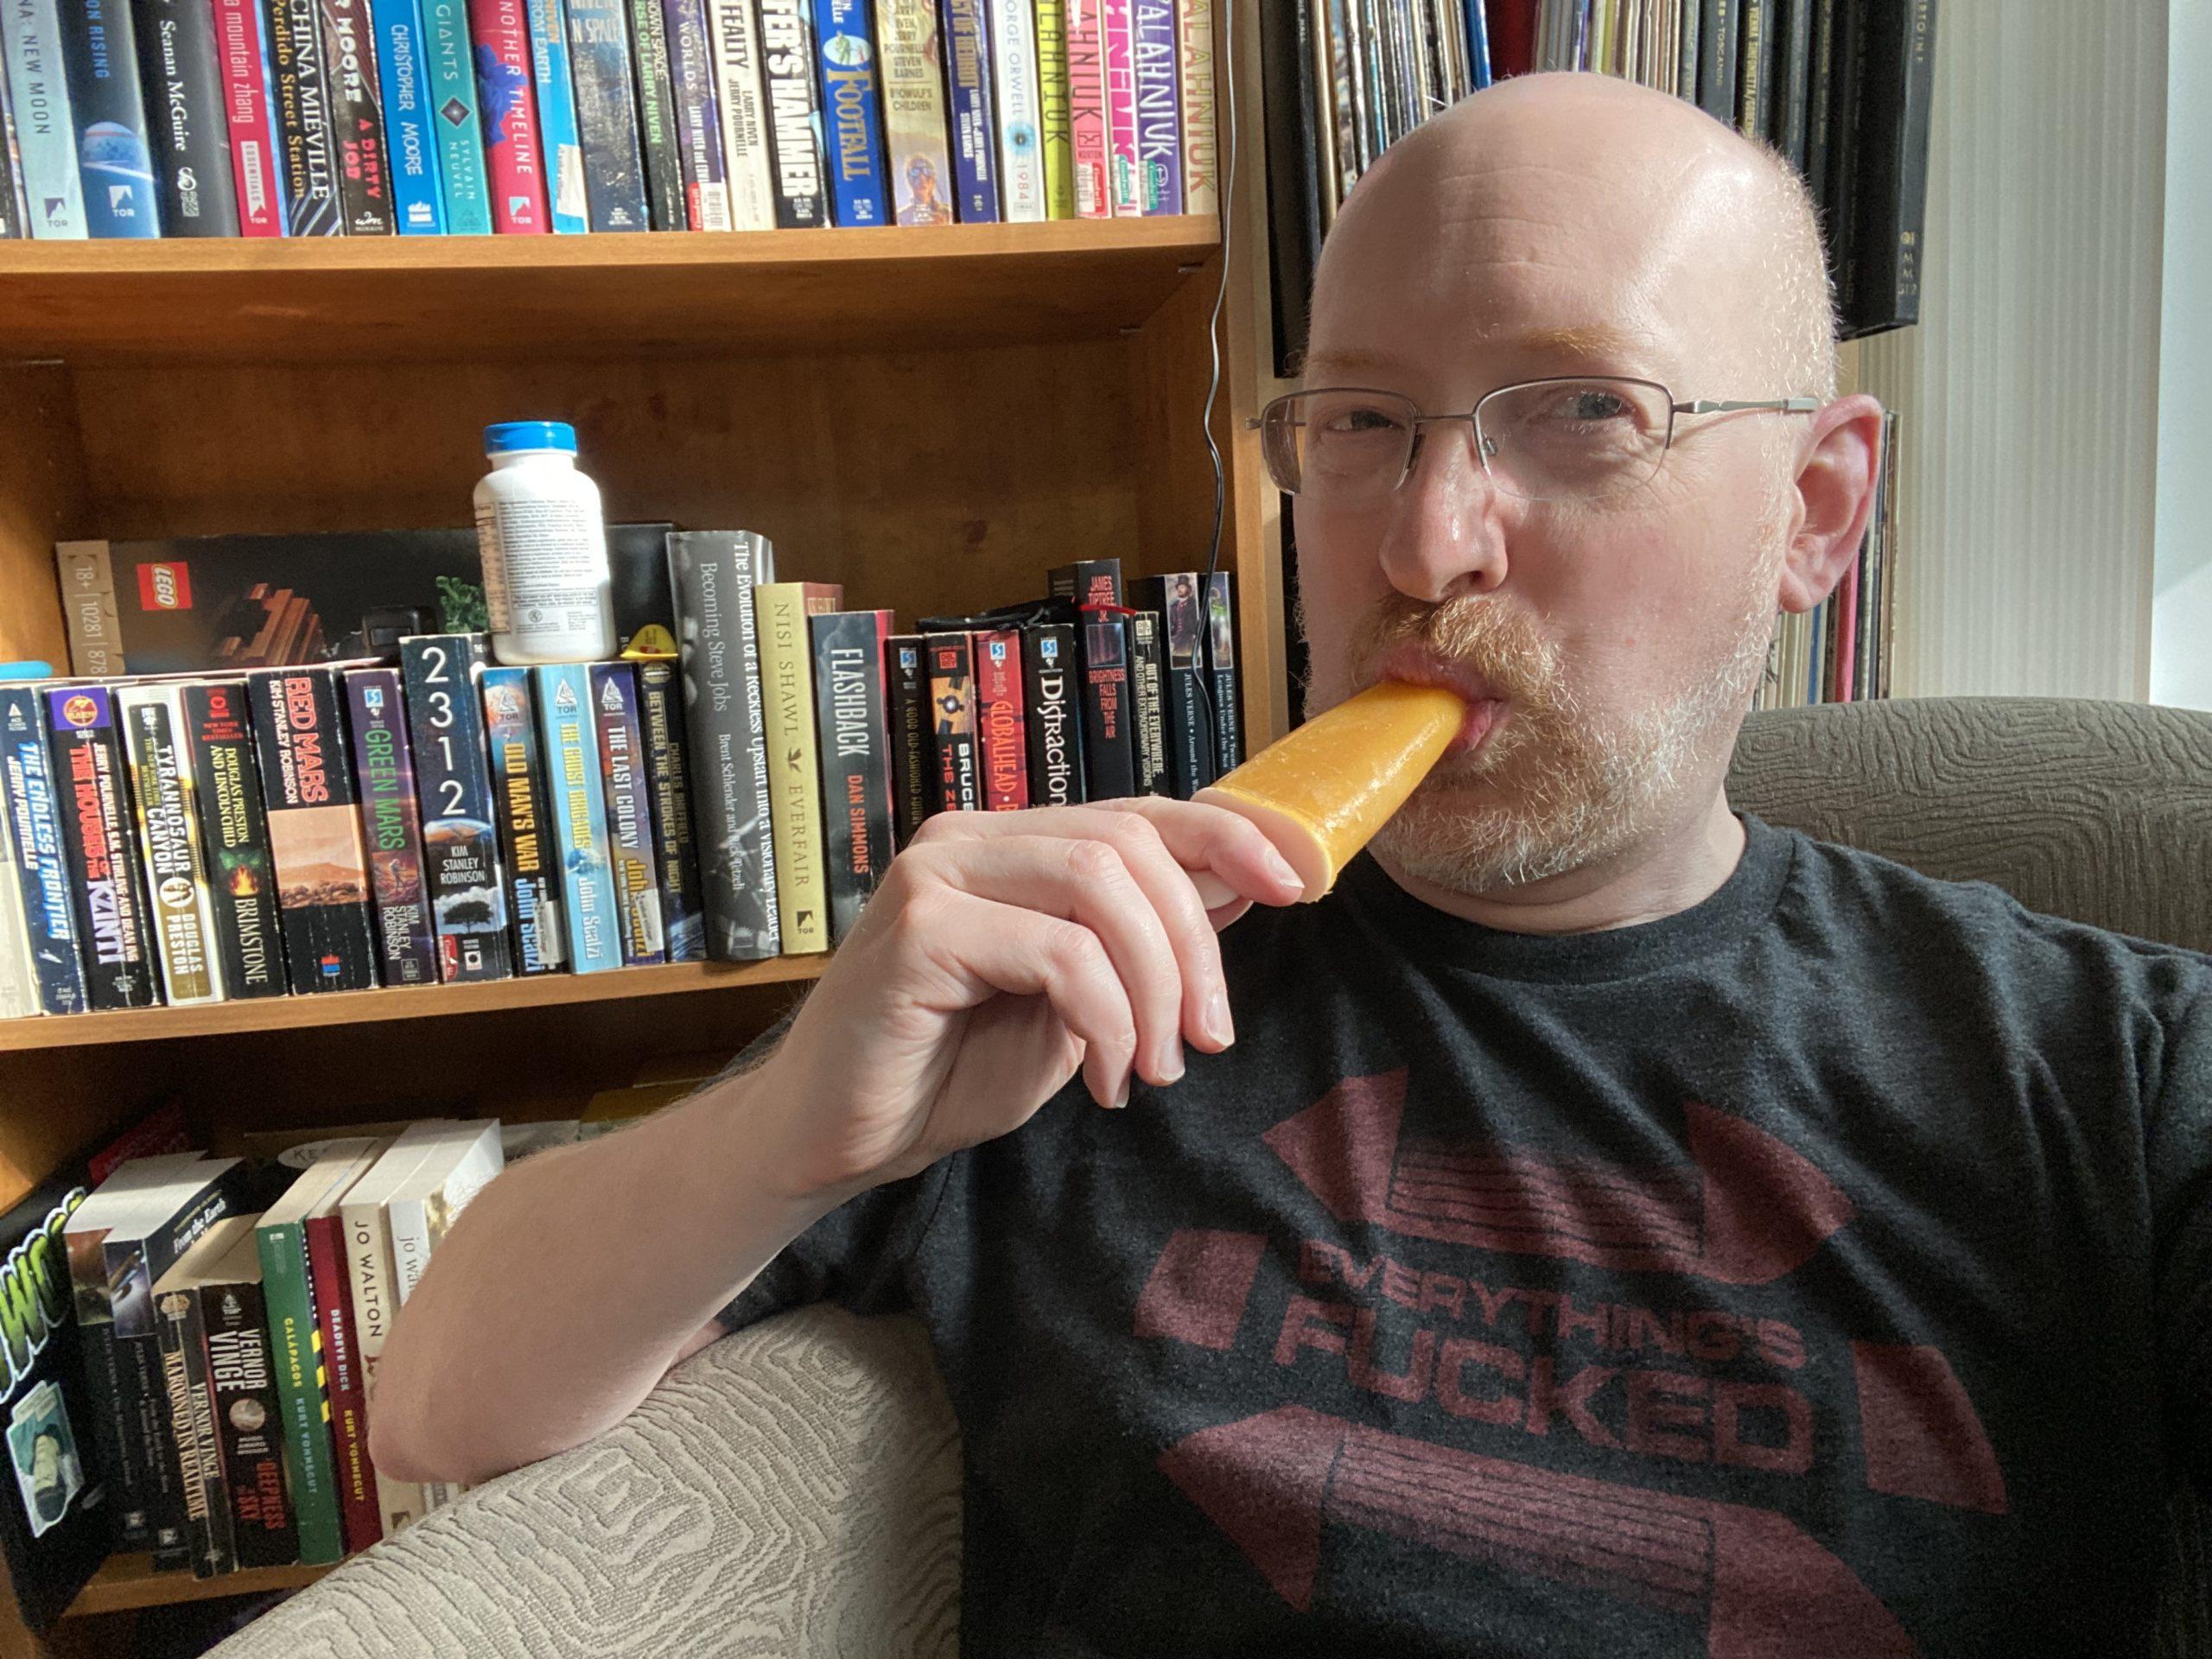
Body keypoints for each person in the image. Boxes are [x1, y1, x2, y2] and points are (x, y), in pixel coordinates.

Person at [372, 73, 2210, 1654]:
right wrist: (793, 1137)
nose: (1422, 541)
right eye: (1356, 425)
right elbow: (441, 1396)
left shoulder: (2108, 1071)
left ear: (1811, 507)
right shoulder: (1075, 982)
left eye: (1579, 412)